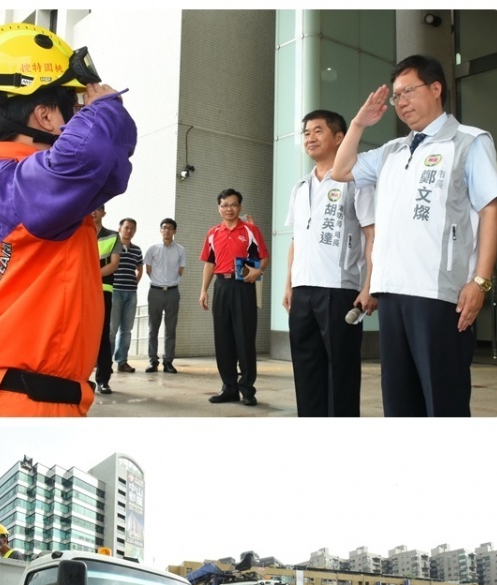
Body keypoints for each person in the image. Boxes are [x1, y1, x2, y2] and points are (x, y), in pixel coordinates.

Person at [0, 22, 136, 417]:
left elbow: (105, 167)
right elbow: (93, 155)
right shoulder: (24, 184)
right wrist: (107, 106)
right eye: (73, 106)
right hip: (22, 406)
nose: (81, 114)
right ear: (46, 116)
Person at [331, 55, 497, 416]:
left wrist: (481, 282)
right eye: (396, 96)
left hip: (439, 296)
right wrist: (359, 123)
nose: (402, 102)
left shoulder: (469, 141)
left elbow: (492, 211)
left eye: (408, 91)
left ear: (436, 88)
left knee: (443, 403)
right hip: (391, 292)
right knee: (400, 403)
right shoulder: (392, 151)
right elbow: (340, 169)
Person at [283, 109, 376, 416]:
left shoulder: (356, 182)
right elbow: (297, 240)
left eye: (318, 131)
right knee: (306, 370)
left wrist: (369, 286)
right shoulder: (299, 187)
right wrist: (289, 284)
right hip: (303, 292)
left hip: (339, 291)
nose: (310, 137)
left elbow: (371, 235)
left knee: (342, 373)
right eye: (306, 132)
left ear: (339, 137)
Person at [199, 190, 269, 406]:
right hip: (221, 286)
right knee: (223, 339)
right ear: (218, 208)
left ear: (239, 207)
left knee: (244, 337)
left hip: (243, 287)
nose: (229, 209)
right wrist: (204, 290)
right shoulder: (213, 232)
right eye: (224, 205)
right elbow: (209, 263)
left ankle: (247, 389)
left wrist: (258, 272)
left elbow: (264, 258)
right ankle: (229, 388)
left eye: (233, 204)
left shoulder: (250, 230)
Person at [144, 218, 186, 373]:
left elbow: (181, 270)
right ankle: (152, 361)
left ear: (175, 231)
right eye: (164, 227)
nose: (167, 230)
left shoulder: (180, 250)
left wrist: (169, 281)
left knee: (171, 329)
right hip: (155, 292)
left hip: (173, 292)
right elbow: (148, 269)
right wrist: (158, 281)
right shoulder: (152, 249)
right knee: (152, 328)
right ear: (160, 230)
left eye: (170, 228)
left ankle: (168, 361)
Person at [109, 218, 143, 375]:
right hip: (115, 291)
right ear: (120, 228)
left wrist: (134, 282)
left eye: (132, 229)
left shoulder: (137, 250)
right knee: (112, 329)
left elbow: (140, 269)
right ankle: (106, 361)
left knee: (127, 330)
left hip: (131, 293)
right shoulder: (113, 246)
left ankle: (122, 361)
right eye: (126, 227)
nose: (129, 231)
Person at [93, 207, 121, 394]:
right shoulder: (78, 234)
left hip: (103, 290)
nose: (93, 212)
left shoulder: (113, 236)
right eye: (91, 209)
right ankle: (79, 378)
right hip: (80, 291)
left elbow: (114, 264)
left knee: (103, 335)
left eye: (98, 208)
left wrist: (91, 276)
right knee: (79, 335)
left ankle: (103, 379)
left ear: (104, 213)